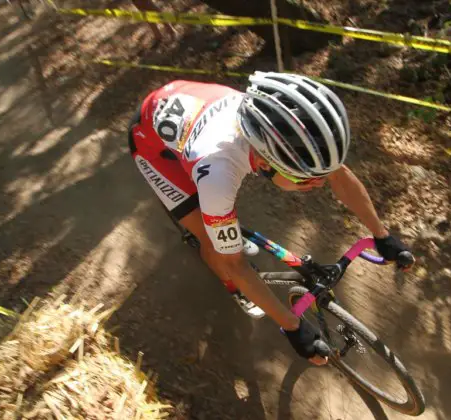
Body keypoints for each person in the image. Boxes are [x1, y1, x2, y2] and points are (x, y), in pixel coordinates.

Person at [128, 72, 413, 364]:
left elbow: (338, 175)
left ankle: (226, 235)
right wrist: (292, 327)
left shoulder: (282, 130)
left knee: (224, 231)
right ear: (264, 163)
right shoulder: (216, 173)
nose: (317, 184)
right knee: (215, 246)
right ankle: (230, 288)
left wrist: (382, 234)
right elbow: (234, 264)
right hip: (151, 144)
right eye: (306, 181)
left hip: (186, 101)